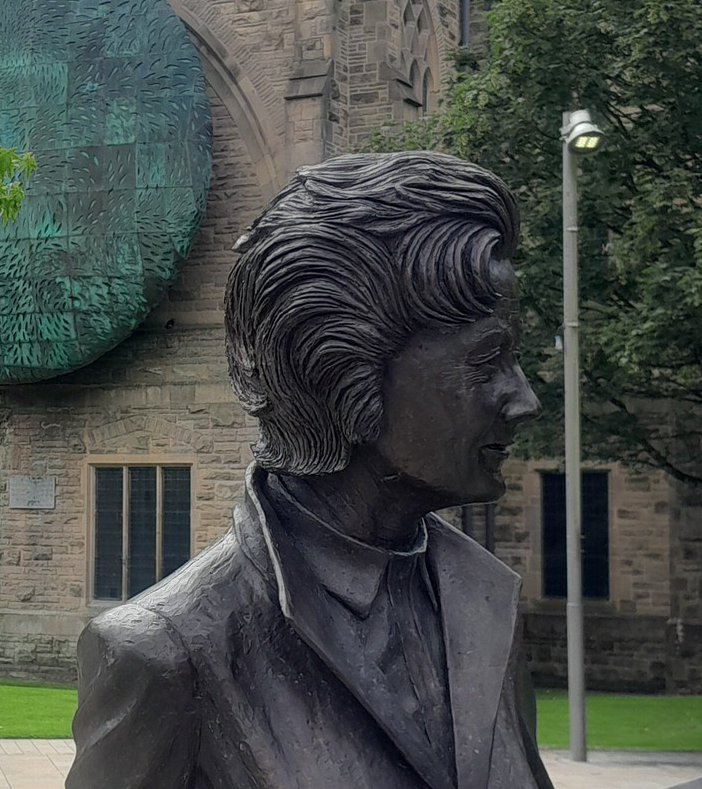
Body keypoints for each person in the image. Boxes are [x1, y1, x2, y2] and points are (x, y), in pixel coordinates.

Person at [66, 152, 554, 789]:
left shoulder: (487, 607)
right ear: (344, 373)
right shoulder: (166, 654)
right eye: (487, 360)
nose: (525, 401)